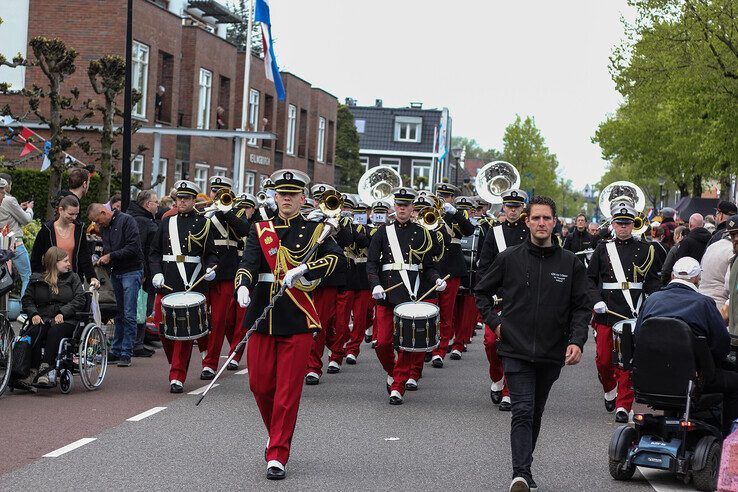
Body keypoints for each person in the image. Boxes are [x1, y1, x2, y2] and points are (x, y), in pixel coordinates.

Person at [475, 195, 589, 492]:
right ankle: (520, 474)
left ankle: (526, 466)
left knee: (535, 412)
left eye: (546, 218)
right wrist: (497, 325)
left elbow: (581, 307)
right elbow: (481, 293)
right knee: (522, 410)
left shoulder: (571, 263)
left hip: (552, 352)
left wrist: (577, 340)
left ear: (555, 223)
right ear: (527, 222)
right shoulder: (509, 257)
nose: (541, 223)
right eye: (535, 218)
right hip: (515, 349)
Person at [235, 169, 344, 480]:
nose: (286, 198)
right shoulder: (261, 230)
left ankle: (278, 453)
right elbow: (248, 263)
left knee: (287, 391)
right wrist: (242, 286)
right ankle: (276, 436)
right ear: (274, 196)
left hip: (296, 317)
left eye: (292, 194)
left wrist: (306, 268)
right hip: (262, 314)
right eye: (281, 193)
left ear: (302, 198)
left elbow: (336, 259)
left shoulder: (315, 230)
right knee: (259, 385)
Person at [636, 256, 738, 437]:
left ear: (673, 275)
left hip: (651, 379)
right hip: (693, 380)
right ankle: (729, 436)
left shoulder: (652, 300)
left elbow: (638, 336)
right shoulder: (704, 303)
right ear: (697, 278)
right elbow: (721, 345)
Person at [366, 187, 444, 404]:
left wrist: (436, 279)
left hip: (412, 293)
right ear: (394, 207)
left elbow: (428, 265)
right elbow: (372, 262)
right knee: (382, 343)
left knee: (406, 345)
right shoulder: (383, 231)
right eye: (399, 204)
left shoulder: (422, 232)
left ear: (412, 208)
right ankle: (393, 372)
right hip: (387, 292)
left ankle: (398, 385)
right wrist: (375, 284)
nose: (402, 208)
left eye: (406, 205)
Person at [588, 198, 660, 423]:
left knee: (626, 361)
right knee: (603, 359)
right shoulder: (602, 248)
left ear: (633, 224)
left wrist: (651, 302)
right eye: (619, 223)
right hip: (607, 310)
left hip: (632, 311)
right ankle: (609, 388)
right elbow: (589, 280)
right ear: (613, 224)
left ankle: (623, 404)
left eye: (627, 223)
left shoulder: (646, 249)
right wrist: (595, 300)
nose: (623, 227)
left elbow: (652, 282)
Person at [150, 180, 218, 392]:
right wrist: (156, 273)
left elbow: (211, 254)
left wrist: (210, 269)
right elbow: (154, 253)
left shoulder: (204, 223)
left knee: (182, 332)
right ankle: (174, 364)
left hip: (192, 283)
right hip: (168, 282)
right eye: (179, 198)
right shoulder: (166, 222)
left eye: (186, 198)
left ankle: (177, 376)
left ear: (193, 200)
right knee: (162, 328)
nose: (181, 201)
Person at [477, 189, 530, 412]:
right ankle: (497, 377)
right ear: (503, 207)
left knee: (514, 346)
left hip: (521, 299)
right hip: (498, 297)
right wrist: (486, 291)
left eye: (516, 207)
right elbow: (484, 266)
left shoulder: (529, 232)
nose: (512, 210)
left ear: (522, 209)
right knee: (491, 343)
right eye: (509, 206)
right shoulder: (494, 232)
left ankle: (509, 391)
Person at [200, 176, 251, 378]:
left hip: (227, 271)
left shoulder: (237, 211)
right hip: (204, 271)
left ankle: (211, 363)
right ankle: (207, 353)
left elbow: (244, 230)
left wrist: (226, 211)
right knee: (203, 319)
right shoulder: (204, 213)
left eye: (222, 191)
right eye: (215, 191)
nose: (217, 195)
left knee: (222, 320)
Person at [304, 185, 354, 384]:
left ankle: (335, 352)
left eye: (323, 199)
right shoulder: (306, 218)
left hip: (331, 277)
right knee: (314, 323)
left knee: (328, 322)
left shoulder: (342, 220)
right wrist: (309, 222)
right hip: (308, 276)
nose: (320, 203)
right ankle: (313, 366)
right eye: (317, 199)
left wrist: (336, 225)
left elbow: (348, 241)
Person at [87, 203, 144, 367]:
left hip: (131, 270)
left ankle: (126, 352)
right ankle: (117, 349)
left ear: (104, 212)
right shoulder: (105, 228)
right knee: (119, 311)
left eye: (98, 221)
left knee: (128, 312)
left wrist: (110, 256)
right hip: (117, 271)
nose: (98, 225)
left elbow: (133, 248)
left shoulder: (127, 221)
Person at [22, 247, 87, 386]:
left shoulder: (73, 277)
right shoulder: (36, 279)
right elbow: (27, 300)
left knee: (55, 330)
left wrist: (63, 312)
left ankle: (45, 369)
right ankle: (32, 370)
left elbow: (80, 299)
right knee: (34, 330)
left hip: (67, 320)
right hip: (43, 318)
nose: (69, 264)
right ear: (54, 263)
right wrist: (33, 313)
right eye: (65, 261)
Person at [431, 183, 474, 366]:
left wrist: (453, 212)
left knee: (446, 312)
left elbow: (469, 230)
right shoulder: (428, 212)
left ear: (451, 198)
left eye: (447, 196)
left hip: (451, 268)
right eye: (440, 195)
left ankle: (440, 350)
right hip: (431, 267)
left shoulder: (457, 214)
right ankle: (428, 346)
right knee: (431, 311)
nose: (442, 199)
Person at [31, 195, 99, 289]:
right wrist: (39, 279)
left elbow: (84, 256)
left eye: (76, 214)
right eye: (70, 214)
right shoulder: (47, 230)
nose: (74, 217)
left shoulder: (79, 229)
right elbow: (36, 257)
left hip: (74, 281)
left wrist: (92, 277)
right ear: (61, 210)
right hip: (51, 282)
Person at [127, 190, 160, 357]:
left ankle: (138, 341)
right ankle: (136, 343)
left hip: (144, 270)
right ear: (148, 205)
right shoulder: (142, 221)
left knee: (142, 307)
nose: (158, 205)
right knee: (141, 307)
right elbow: (140, 247)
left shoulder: (141, 219)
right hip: (143, 272)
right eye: (156, 202)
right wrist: (144, 271)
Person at [0, 173, 34, 297]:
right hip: (14, 244)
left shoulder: (6, 201)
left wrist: (19, 207)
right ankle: (25, 310)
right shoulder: (9, 199)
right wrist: (29, 209)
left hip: (1, 246)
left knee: (3, 279)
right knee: (27, 277)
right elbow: (26, 219)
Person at [699, 216, 735, 309]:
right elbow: (730, 285)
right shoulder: (733, 250)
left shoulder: (712, 246)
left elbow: (700, 272)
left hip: (701, 301)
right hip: (720, 305)